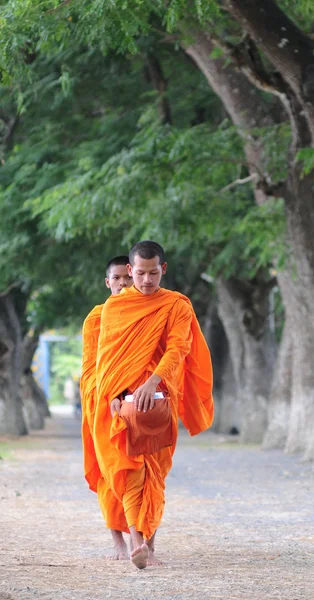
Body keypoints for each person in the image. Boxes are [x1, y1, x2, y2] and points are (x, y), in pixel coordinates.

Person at [93, 240, 214, 569]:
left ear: (164, 269)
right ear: (130, 272)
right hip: (124, 403)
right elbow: (107, 361)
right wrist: (114, 396)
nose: (147, 280)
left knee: (155, 473)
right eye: (141, 273)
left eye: (153, 273)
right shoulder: (114, 309)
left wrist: (153, 381)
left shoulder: (176, 305)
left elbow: (179, 348)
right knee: (129, 469)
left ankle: (150, 543)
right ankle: (135, 542)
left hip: (162, 398)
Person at [80, 256, 133, 560]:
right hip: (101, 404)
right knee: (108, 471)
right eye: (117, 279)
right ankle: (117, 540)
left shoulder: (145, 316)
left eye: (128, 278)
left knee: (143, 470)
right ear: (107, 282)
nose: (123, 285)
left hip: (137, 403)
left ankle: (145, 538)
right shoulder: (96, 318)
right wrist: (107, 393)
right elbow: (90, 368)